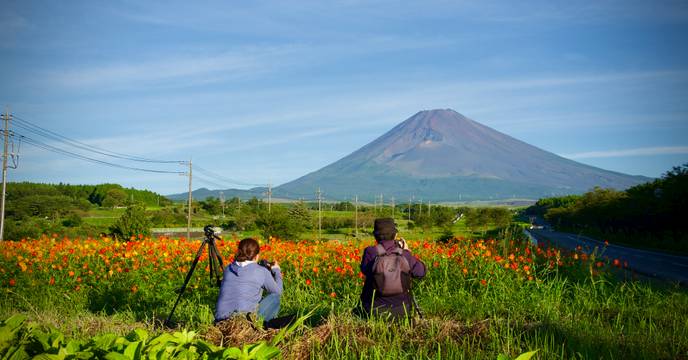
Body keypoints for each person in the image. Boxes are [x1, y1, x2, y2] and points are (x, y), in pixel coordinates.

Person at [359, 218, 427, 319]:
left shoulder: (370, 252)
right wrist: (407, 251)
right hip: (402, 309)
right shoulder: (404, 254)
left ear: (375, 236)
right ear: (395, 235)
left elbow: (365, 270)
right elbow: (421, 272)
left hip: (374, 310)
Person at [215, 238, 282, 323]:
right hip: (244, 322)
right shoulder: (261, 271)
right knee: (275, 297)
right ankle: (265, 326)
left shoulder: (228, 268)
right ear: (257, 256)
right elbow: (278, 291)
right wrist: (276, 271)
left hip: (220, 320)